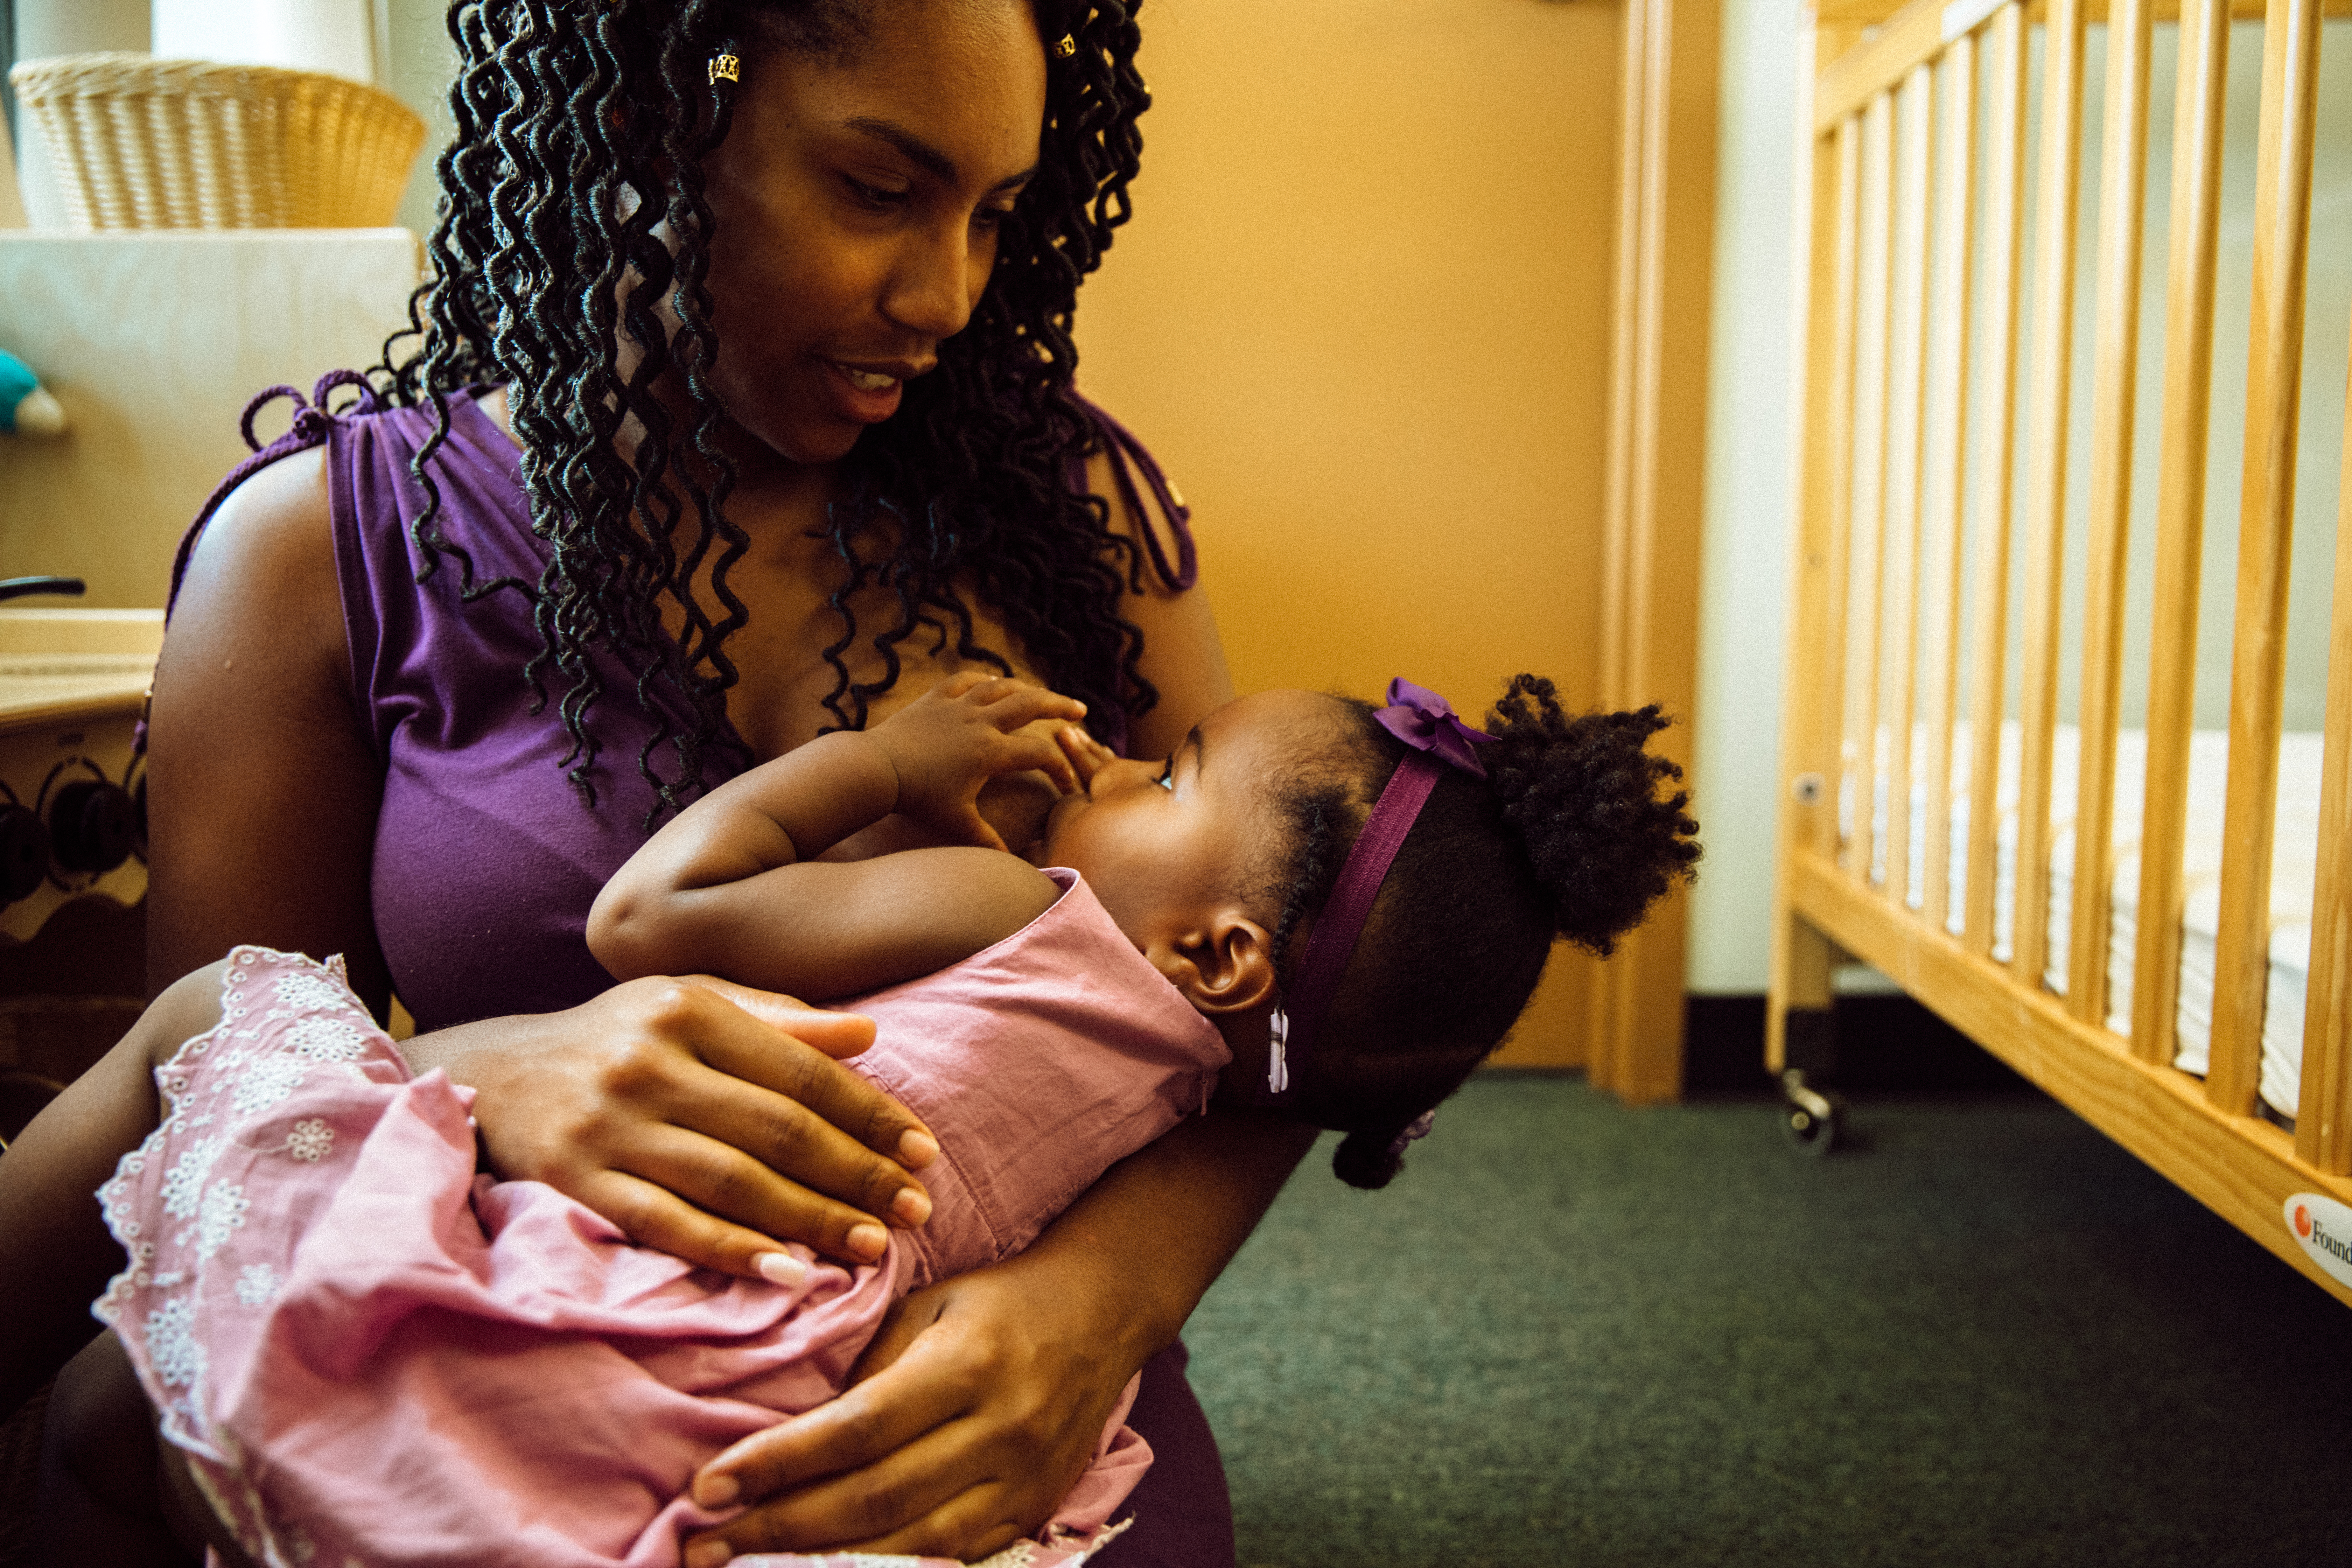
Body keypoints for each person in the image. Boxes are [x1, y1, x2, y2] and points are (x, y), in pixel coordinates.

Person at [13, 1, 1266, 1562]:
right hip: (530, 1376)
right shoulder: (318, 558)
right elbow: (220, 1121)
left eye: (996, 214)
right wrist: (491, 1070)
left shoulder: (1064, 508)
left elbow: (1275, 1005)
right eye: (881, 189)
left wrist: (1097, 1303)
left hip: (987, 1411)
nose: (948, 293)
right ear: (658, 130)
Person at [6, 670, 1699, 1566]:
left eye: (1169, 775)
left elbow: (649, 921)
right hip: (740, 1387)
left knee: (132, 1363)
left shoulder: (1016, 906)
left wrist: (887, 761)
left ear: (1226, 949)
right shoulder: (1187, 1088)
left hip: (596, 1267)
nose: (1112, 765)